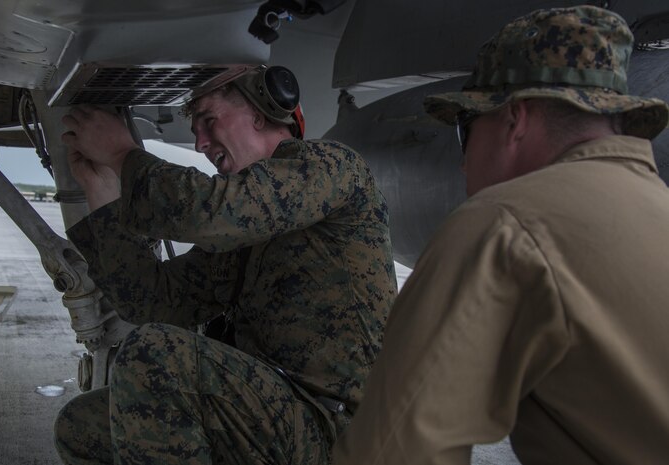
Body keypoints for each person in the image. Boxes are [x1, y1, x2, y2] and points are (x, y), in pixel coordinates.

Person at [332, 5, 669, 465]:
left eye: (465, 128)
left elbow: (393, 452)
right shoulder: (656, 211)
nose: (464, 161)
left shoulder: (506, 224)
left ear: (516, 120)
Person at [54, 65, 397, 464]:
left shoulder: (331, 166)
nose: (200, 143)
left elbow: (209, 212)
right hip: (277, 417)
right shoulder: (243, 235)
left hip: (342, 432)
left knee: (157, 355)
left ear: (259, 111)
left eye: (209, 119)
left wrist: (123, 155)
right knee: (85, 424)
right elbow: (152, 301)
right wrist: (103, 188)